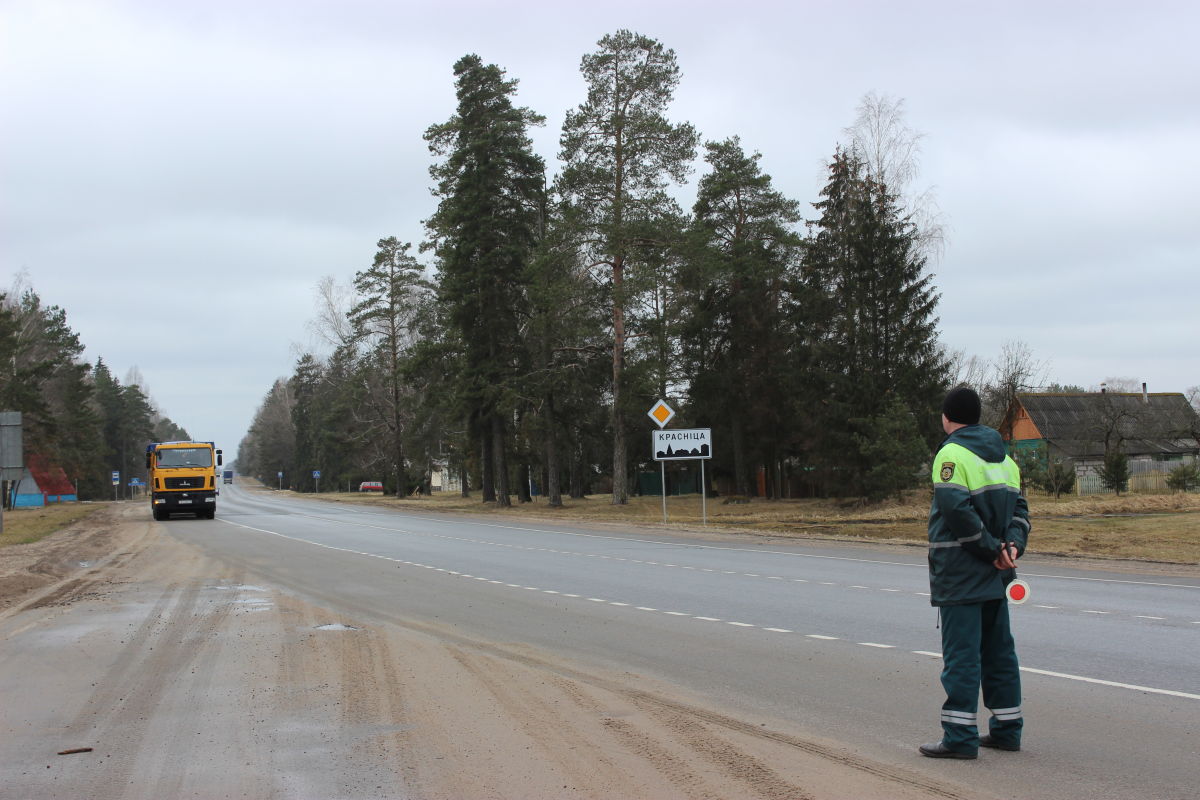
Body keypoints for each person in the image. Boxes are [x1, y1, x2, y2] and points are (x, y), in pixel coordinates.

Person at [919, 386, 1030, 759]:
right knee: (999, 654)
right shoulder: (1005, 458)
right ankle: (1007, 730)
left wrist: (989, 550)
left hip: (962, 574)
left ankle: (960, 738)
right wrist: (1011, 548)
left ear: (947, 417)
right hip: (997, 575)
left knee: (962, 658)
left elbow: (955, 510)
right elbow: (1020, 512)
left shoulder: (950, 454)